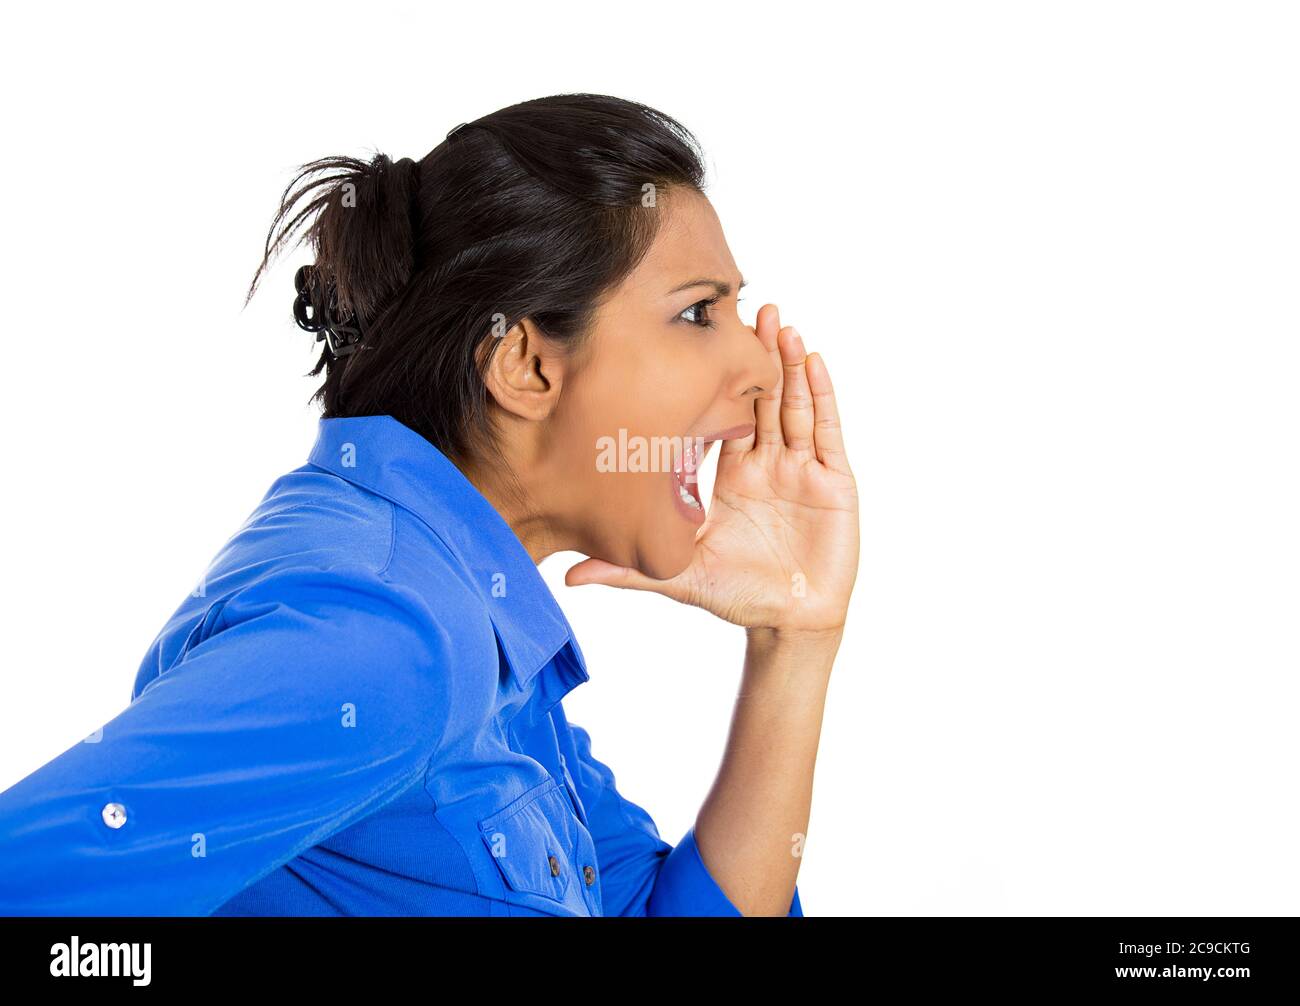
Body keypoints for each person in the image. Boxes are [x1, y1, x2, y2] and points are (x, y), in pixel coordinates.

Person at [0, 93, 859, 916]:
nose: (760, 366)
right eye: (700, 312)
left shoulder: (472, 622)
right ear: (524, 364)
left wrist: (795, 639)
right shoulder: (394, 634)